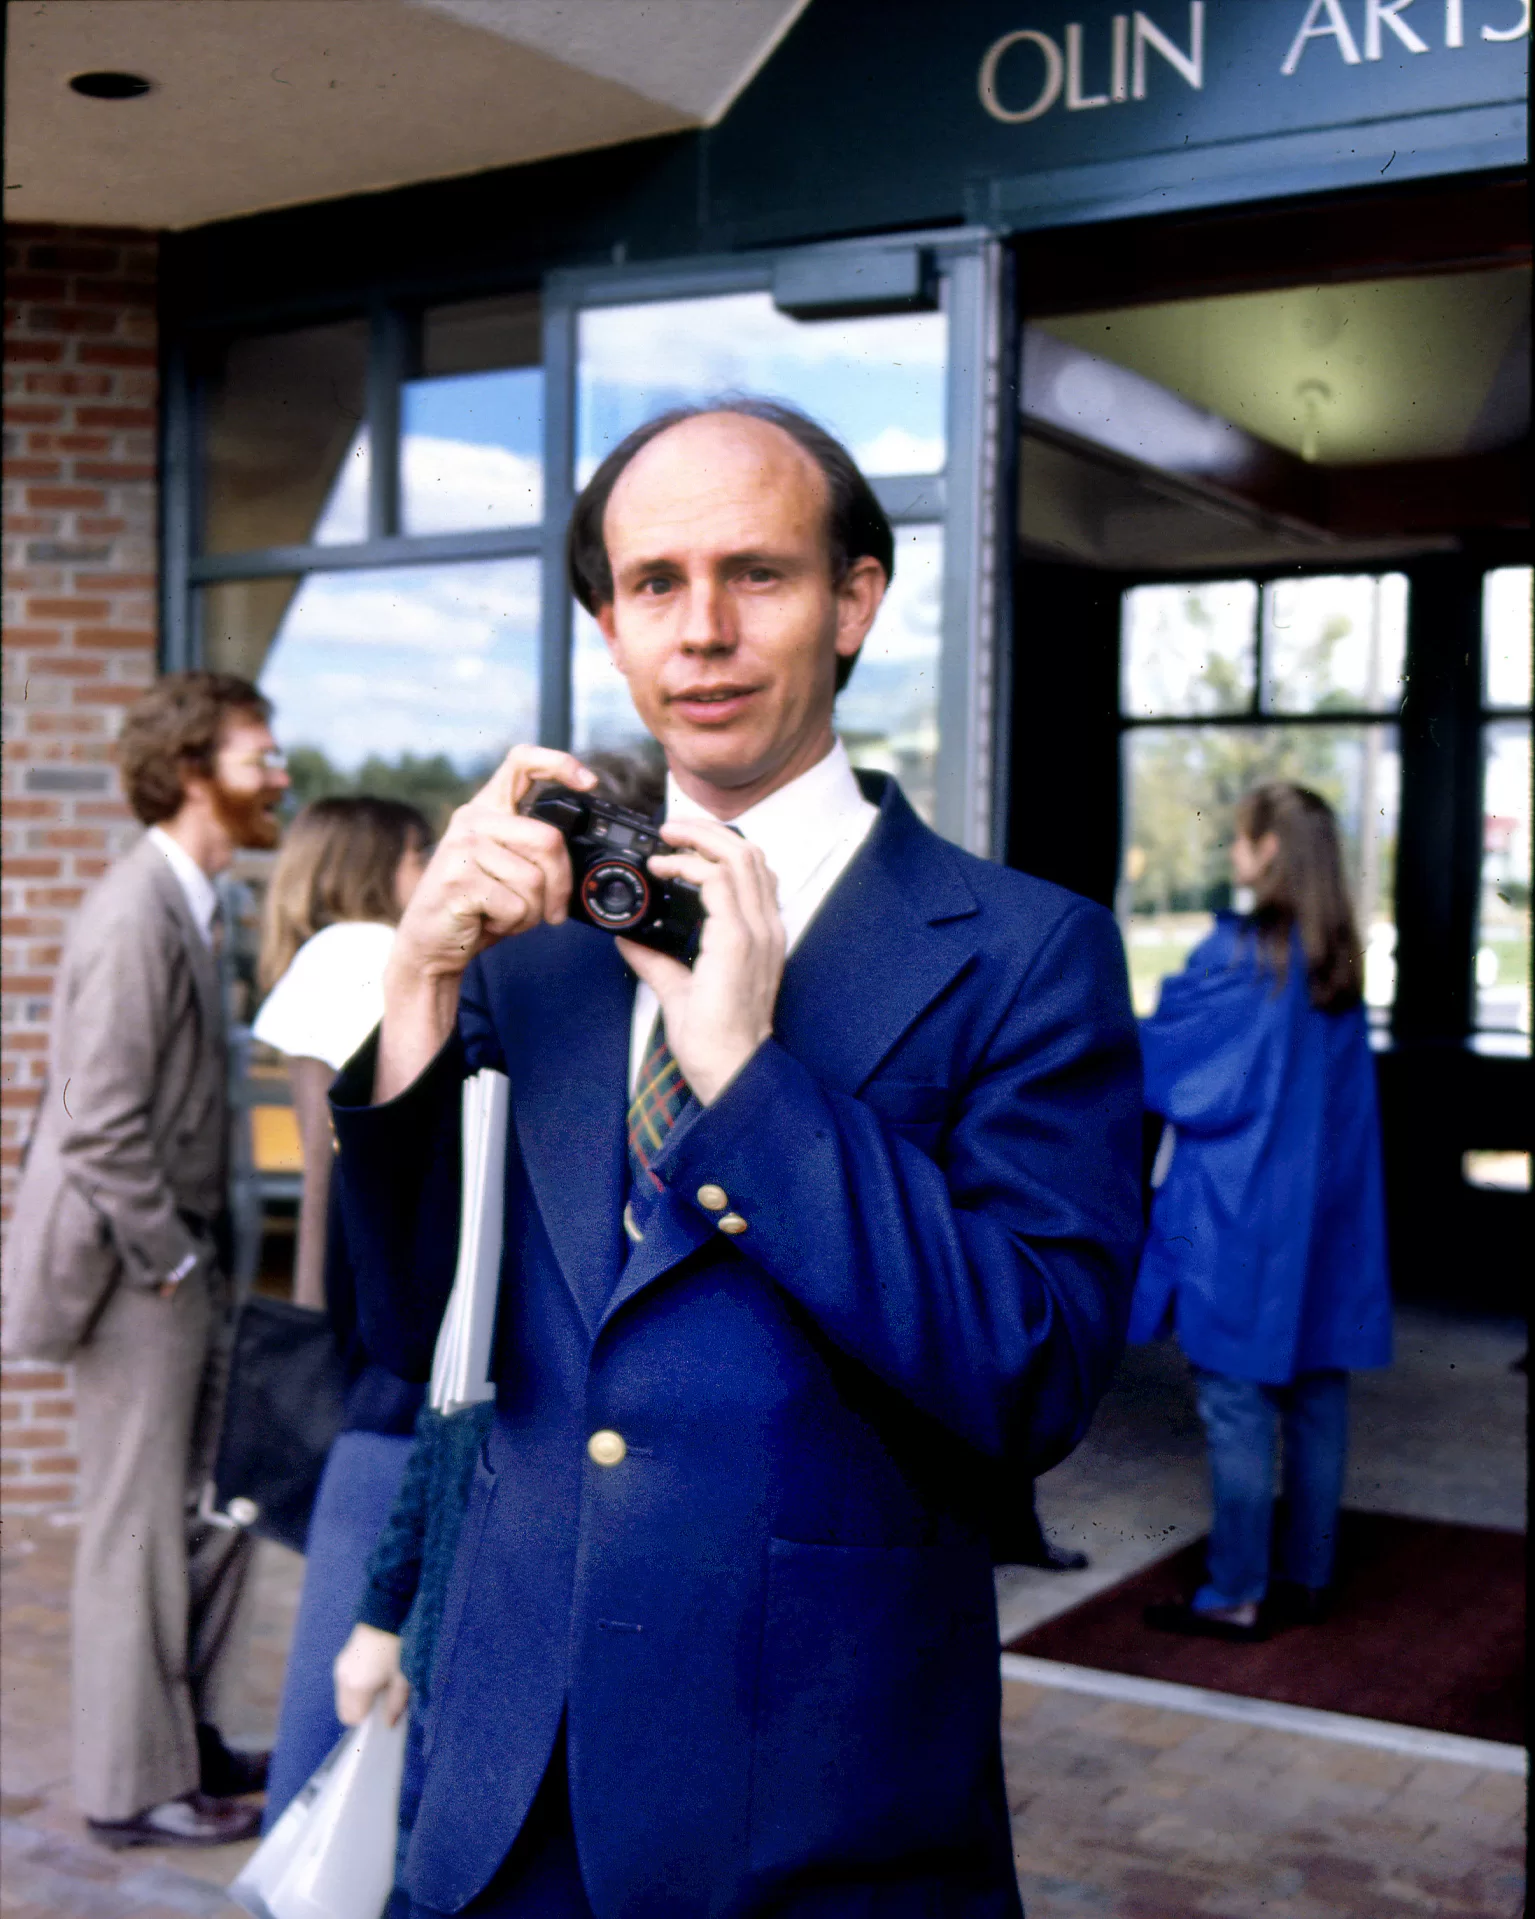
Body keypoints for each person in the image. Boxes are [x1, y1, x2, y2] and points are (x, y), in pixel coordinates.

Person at [331, 399, 1144, 1917]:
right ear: (607, 622)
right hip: (503, 1793)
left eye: (755, 574)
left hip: (820, 1809)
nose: (699, 629)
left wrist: (747, 1079)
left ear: (852, 601)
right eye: (654, 583)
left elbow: (1034, 1374)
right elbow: (404, 1332)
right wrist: (417, 993)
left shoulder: (1028, 952)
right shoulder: (534, 953)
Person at [2, 673, 290, 1847]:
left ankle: (180, 1738)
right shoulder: (133, 912)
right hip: (137, 1274)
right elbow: (95, 1117)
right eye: (258, 756)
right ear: (190, 772)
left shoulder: (197, 900)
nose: (279, 775)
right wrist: (173, 1262)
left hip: (179, 1265)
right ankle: (134, 1786)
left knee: (212, 1512)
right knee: (139, 1527)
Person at [1131, 781, 1393, 1644]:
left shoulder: (1236, 959)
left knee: (1238, 1406)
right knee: (1317, 1398)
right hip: (1327, 1220)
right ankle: (1307, 1577)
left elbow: (1169, 1069)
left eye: (1240, 838)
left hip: (1241, 1217)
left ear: (1268, 851)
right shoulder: (1336, 961)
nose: (1231, 851)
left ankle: (1237, 1590)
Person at [252, 796, 434, 1825]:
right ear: (384, 864)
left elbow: (319, 1184)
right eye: (419, 853)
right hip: (396, 1345)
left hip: (347, 1324)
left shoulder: (315, 959)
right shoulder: (375, 959)